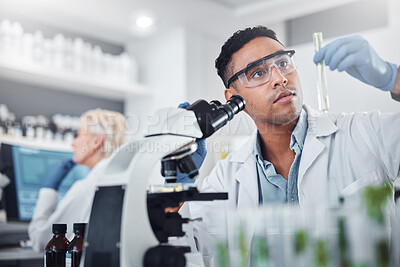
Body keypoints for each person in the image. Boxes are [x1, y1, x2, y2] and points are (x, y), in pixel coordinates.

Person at [184, 26, 400, 263]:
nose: (280, 78)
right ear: (233, 98)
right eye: (257, 73)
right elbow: (186, 248)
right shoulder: (225, 178)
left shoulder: (366, 133)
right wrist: (178, 180)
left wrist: (394, 79)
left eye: (283, 63)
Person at [28, 109, 127, 252]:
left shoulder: (88, 188)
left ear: (96, 141)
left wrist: (48, 189)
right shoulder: (121, 177)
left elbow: (40, 240)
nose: (73, 144)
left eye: (78, 135)